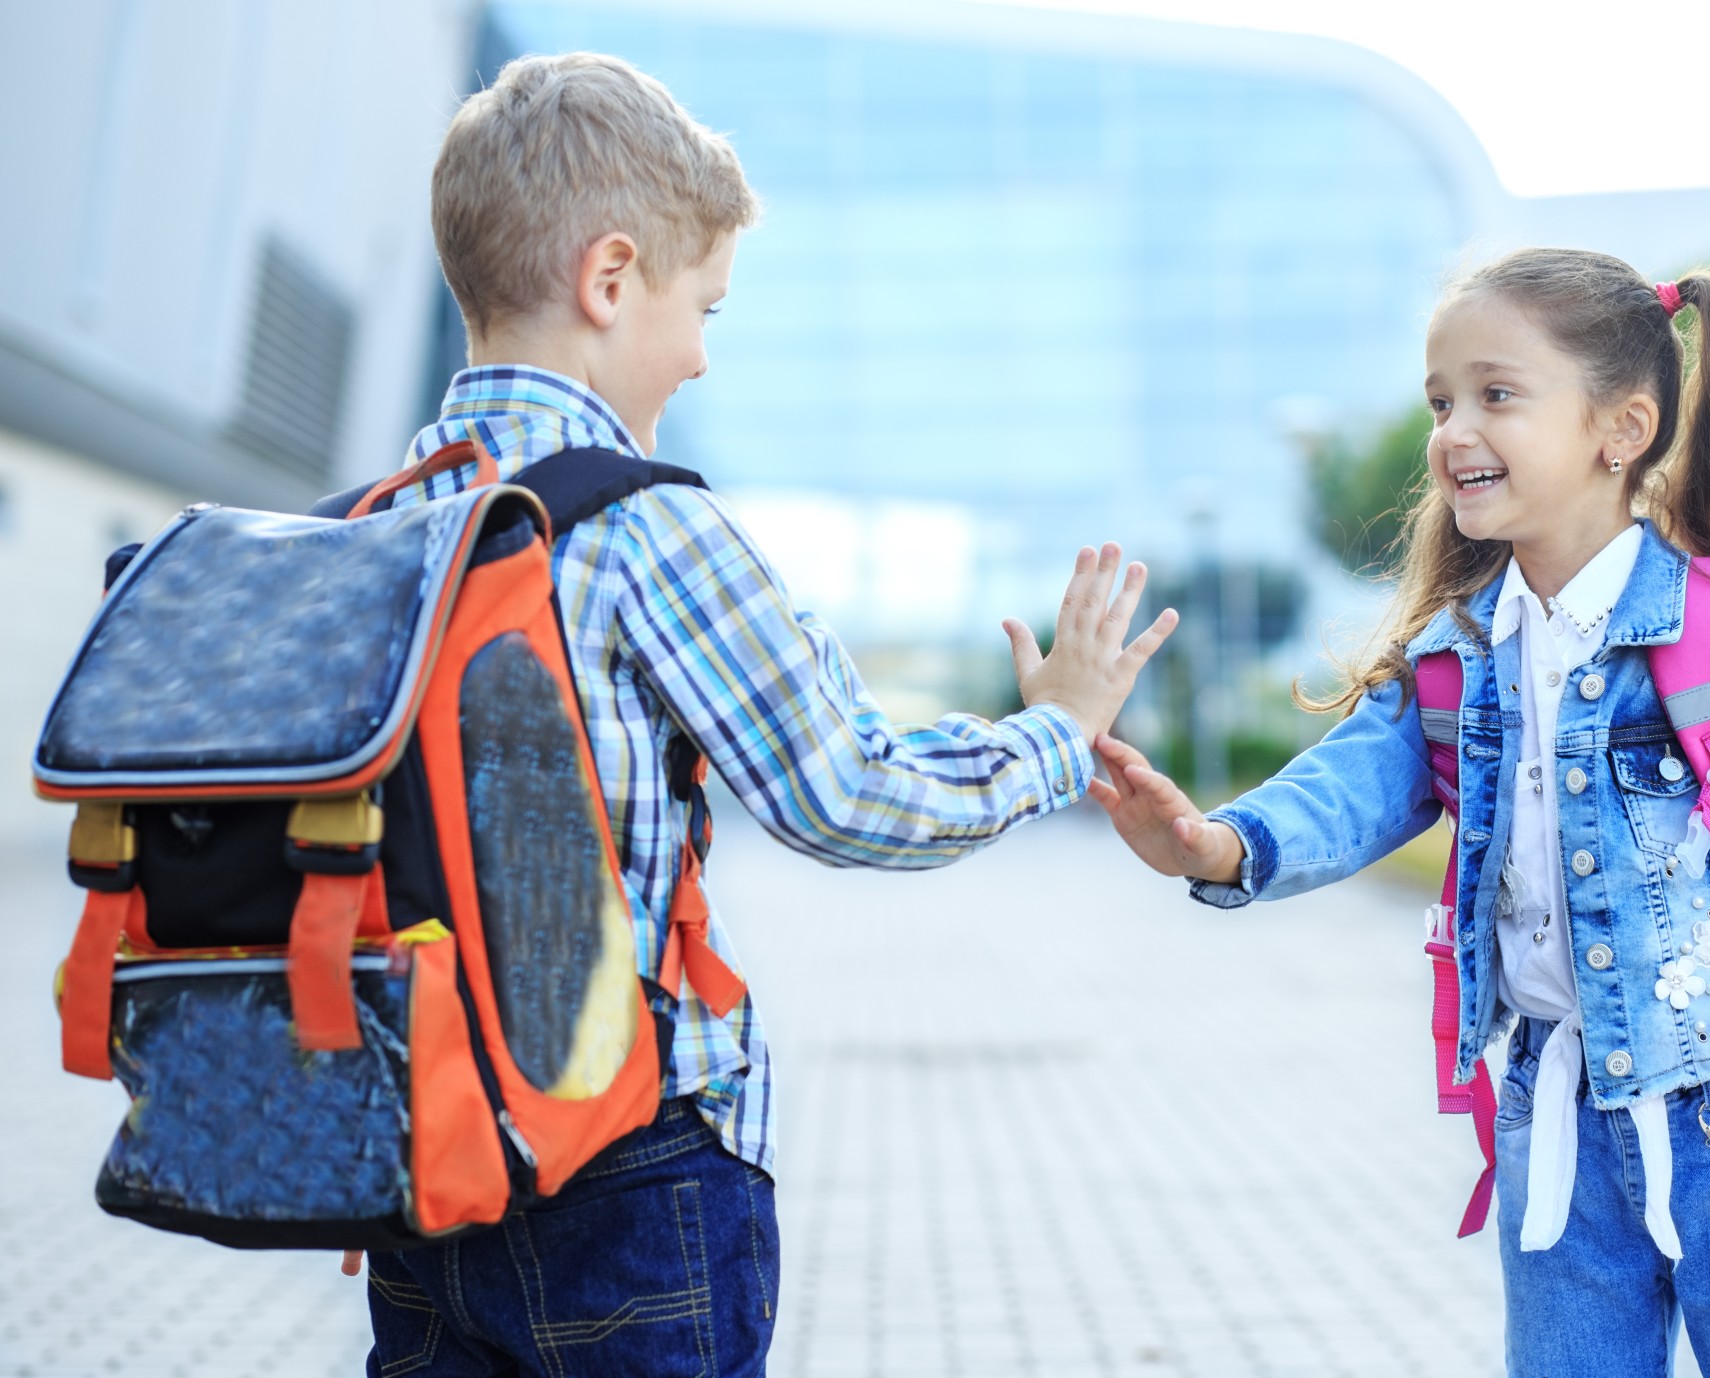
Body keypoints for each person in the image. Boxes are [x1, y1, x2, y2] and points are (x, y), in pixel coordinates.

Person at [351, 52, 1175, 1377]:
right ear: (609, 280)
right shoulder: (641, 523)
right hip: (624, 1164)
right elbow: (847, 793)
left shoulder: (381, 522)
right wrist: (1054, 734)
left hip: (416, 1148)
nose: (696, 354)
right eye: (704, 309)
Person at [1090, 247, 1710, 1376]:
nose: (1452, 430)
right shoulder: (1460, 655)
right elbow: (1352, 784)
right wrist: (1217, 844)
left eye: (1496, 394)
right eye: (1441, 401)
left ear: (1619, 429)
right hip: (1557, 1128)